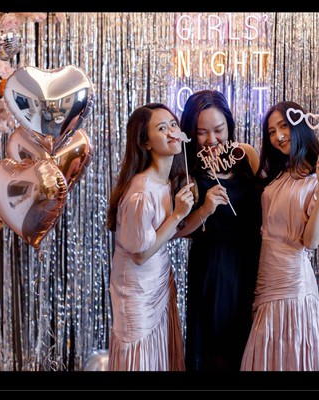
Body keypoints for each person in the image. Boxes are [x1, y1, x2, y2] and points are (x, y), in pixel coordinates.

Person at [240, 101, 319, 371]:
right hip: (265, 277)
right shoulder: (278, 175)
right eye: (271, 132)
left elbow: (311, 241)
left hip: (293, 283)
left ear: (299, 126)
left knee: (291, 353)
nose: (278, 136)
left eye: (283, 126)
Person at [176, 90, 262, 371]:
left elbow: (270, 199)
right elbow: (178, 230)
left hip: (254, 260)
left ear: (229, 125)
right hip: (213, 267)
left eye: (218, 130)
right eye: (202, 132)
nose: (211, 139)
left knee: (252, 344)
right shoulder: (187, 170)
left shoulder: (246, 155)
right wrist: (204, 209)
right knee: (217, 349)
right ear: (190, 132)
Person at [106, 103, 195, 371]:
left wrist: (203, 210)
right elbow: (141, 254)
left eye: (173, 124)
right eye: (162, 128)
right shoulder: (141, 193)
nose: (172, 132)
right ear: (145, 143)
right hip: (137, 293)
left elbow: (167, 235)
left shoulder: (168, 182)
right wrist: (177, 215)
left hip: (160, 285)